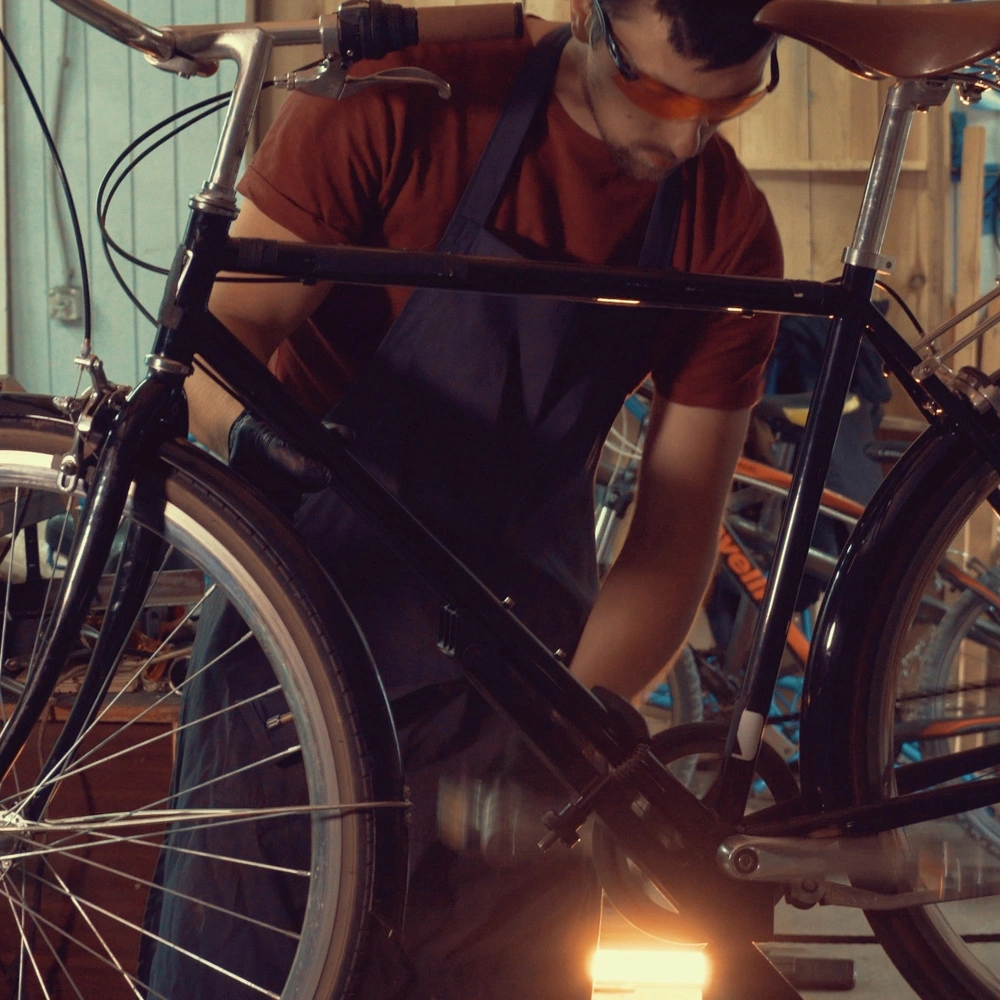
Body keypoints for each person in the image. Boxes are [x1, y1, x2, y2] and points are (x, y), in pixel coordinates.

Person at [144, 0, 783, 995]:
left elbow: (670, 531)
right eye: (655, 92)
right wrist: (267, 456)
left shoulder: (725, 229)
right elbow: (218, 346)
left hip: (523, 686)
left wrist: (576, 740)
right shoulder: (400, 104)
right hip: (297, 675)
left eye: (726, 107)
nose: (681, 137)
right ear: (589, 15)